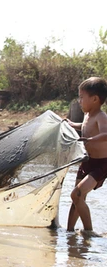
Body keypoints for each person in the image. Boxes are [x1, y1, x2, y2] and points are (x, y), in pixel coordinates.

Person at [65, 77, 107, 232]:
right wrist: (71, 125)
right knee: (77, 198)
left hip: (101, 164)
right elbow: (84, 126)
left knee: (77, 194)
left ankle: (88, 231)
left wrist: (90, 139)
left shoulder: (101, 116)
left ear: (95, 99)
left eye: (82, 97)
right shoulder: (87, 115)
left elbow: (105, 134)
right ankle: (69, 231)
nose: (79, 101)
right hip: (87, 162)